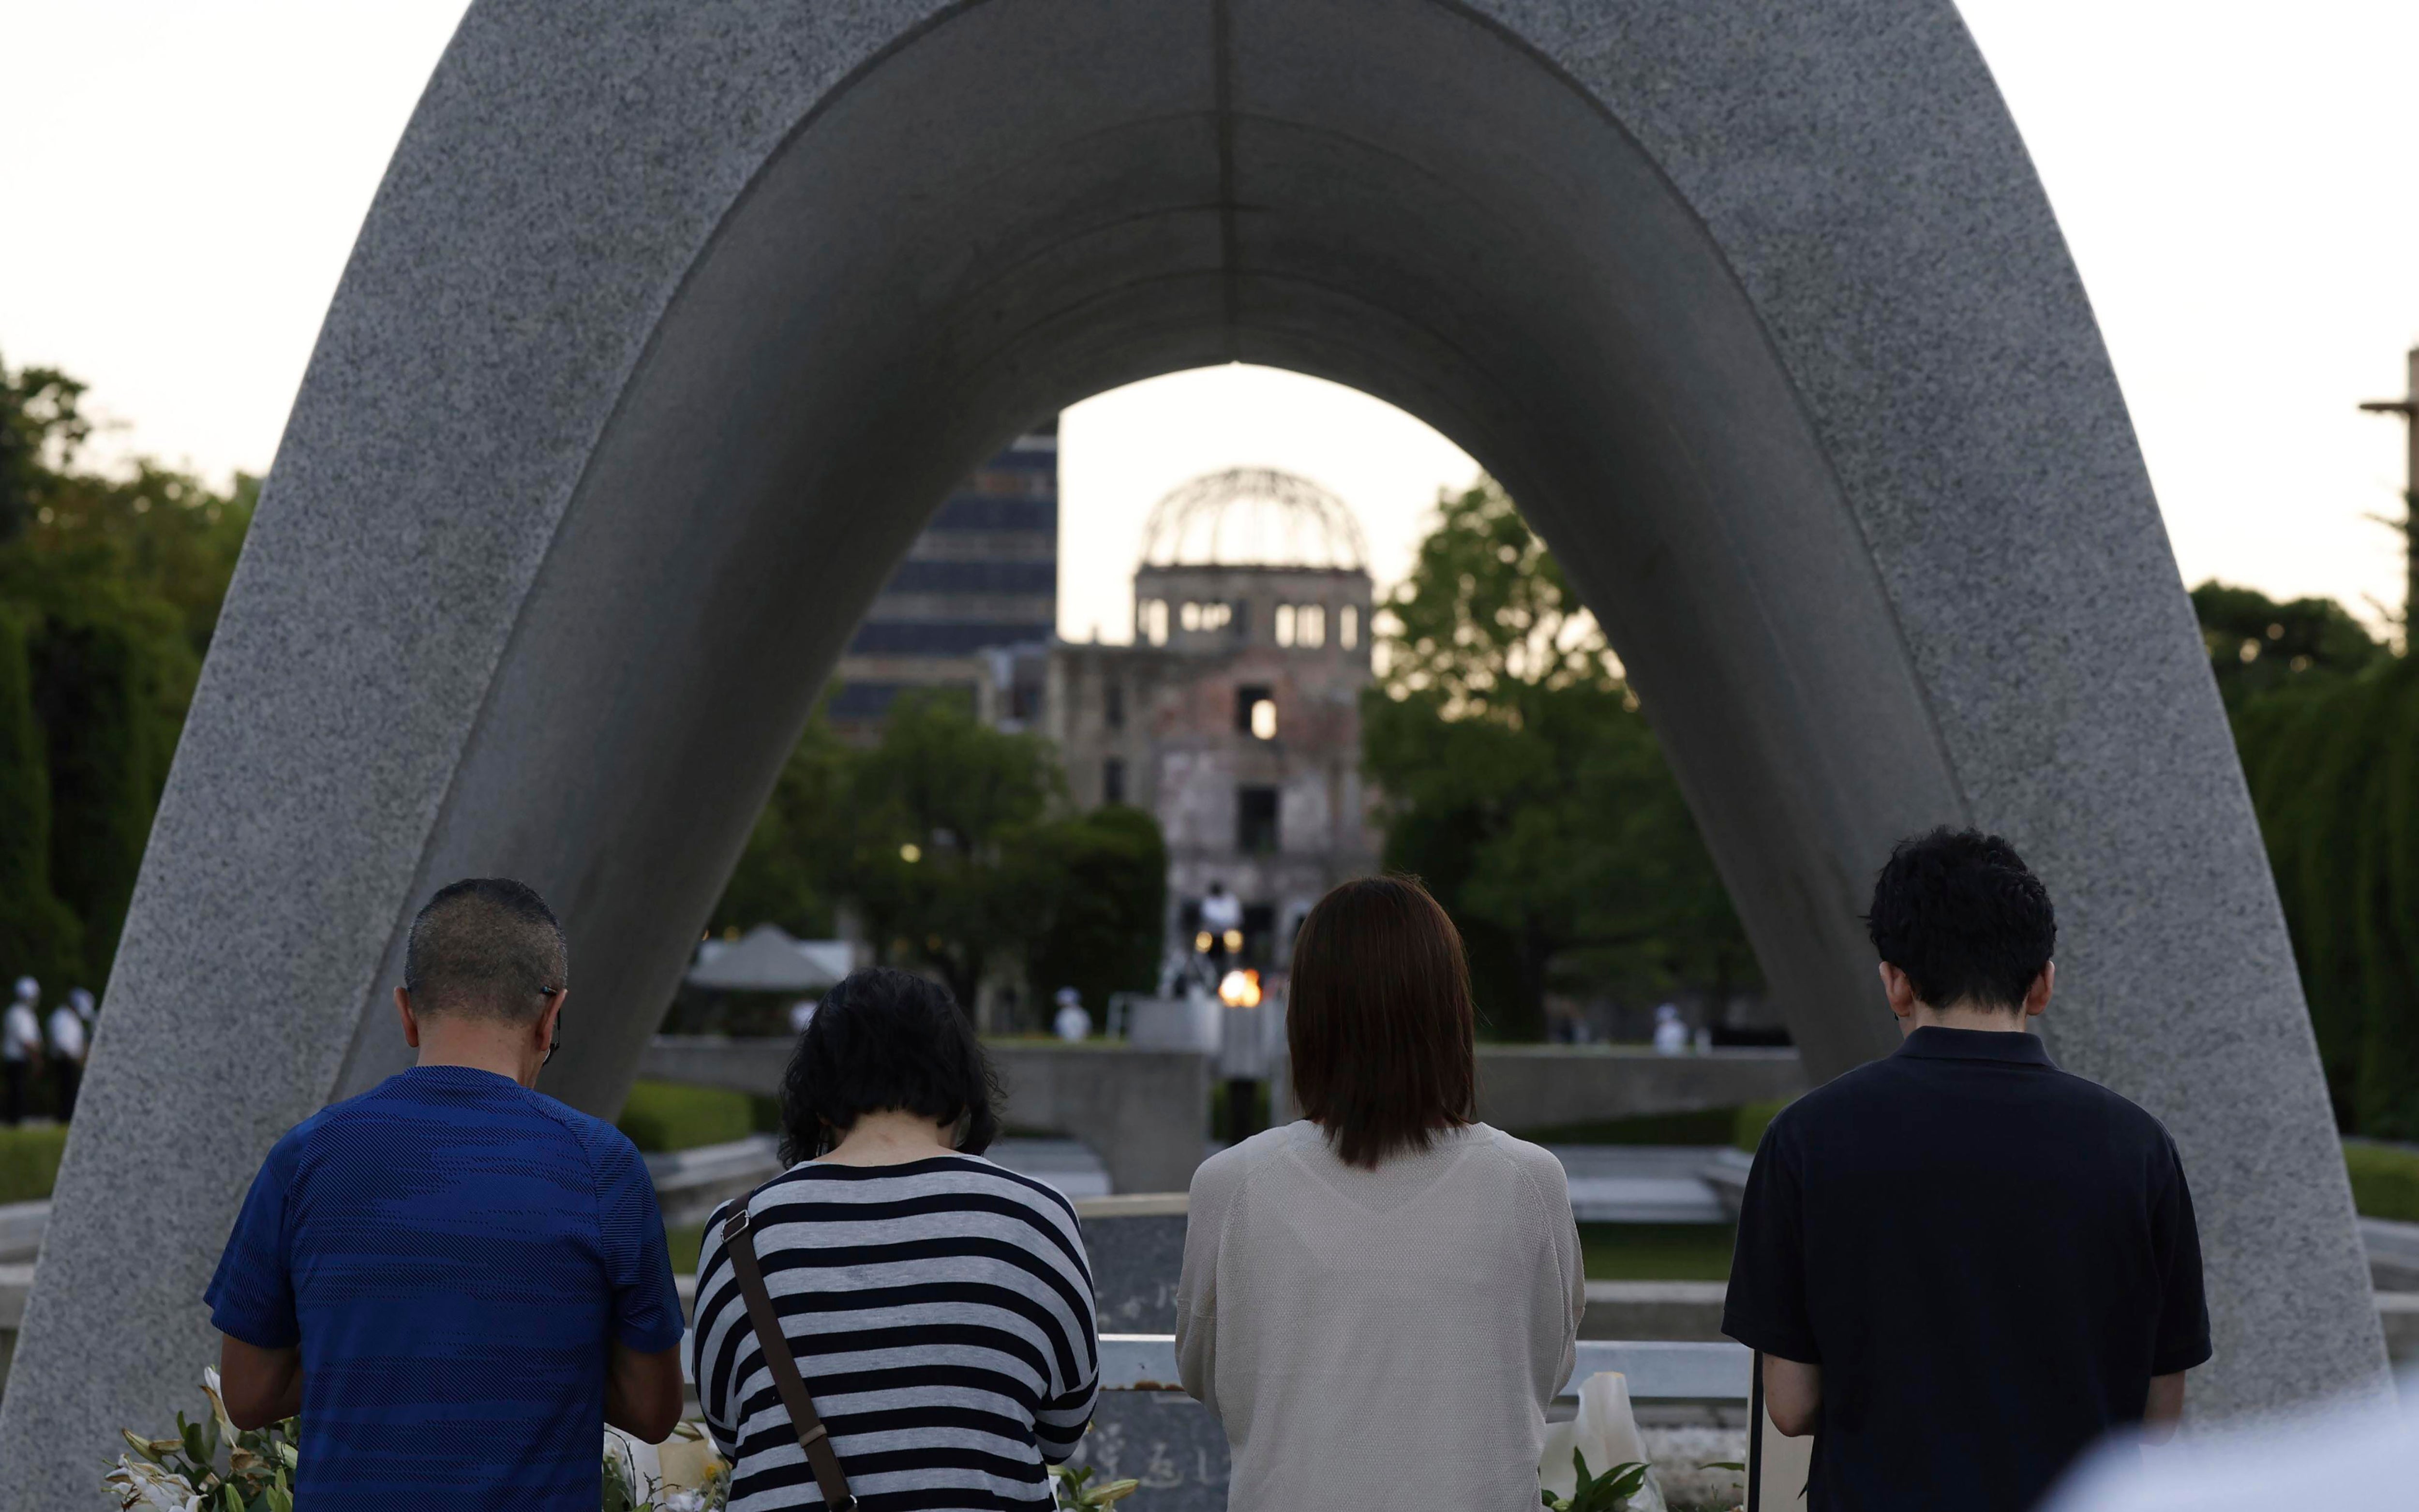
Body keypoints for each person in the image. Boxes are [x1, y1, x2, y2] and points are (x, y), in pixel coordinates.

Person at [1722, 828, 2211, 1512]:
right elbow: (2157, 1416)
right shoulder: (2137, 1146)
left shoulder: (1806, 1138)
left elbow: (1792, 1404)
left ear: (1896, 982)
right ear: (2042, 983)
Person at [207, 878, 686, 1508]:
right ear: (550, 1018)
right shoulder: (603, 1166)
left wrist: (375, 1355)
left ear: (406, 1012)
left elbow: (248, 1395)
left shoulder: (305, 1158)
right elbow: (653, 1410)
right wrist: (533, 1356)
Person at [1176, 875, 1582, 1512]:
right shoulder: (1528, 1181)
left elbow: (1205, 1370)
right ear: (1449, 1010)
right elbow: (1545, 1364)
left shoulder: (1233, 1184)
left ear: (1307, 1015)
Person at [690, 967, 1099, 1511]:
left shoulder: (738, 1231)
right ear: (961, 1092)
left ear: (817, 1096)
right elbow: (1062, 1431)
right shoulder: (1037, 1218)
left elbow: (731, 1431)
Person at [1, 978, 40, 1126]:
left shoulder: (21, 1013)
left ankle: (16, 1118)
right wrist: (36, 1058)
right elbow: (26, 1041)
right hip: (16, 1058)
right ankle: (15, 1120)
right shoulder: (18, 1013)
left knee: (18, 1090)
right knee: (16, 1091)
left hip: (18, 1059)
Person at [44, 988, 86, 1119]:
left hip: (72, 1061)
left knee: (72, 1092)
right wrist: (77, 1061)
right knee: (67, 1092)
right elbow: (63, 1045)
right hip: (66, 1061)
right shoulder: (61, 1018)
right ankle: (65, 1117)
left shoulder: (72, 1018)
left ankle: (69, 1116)